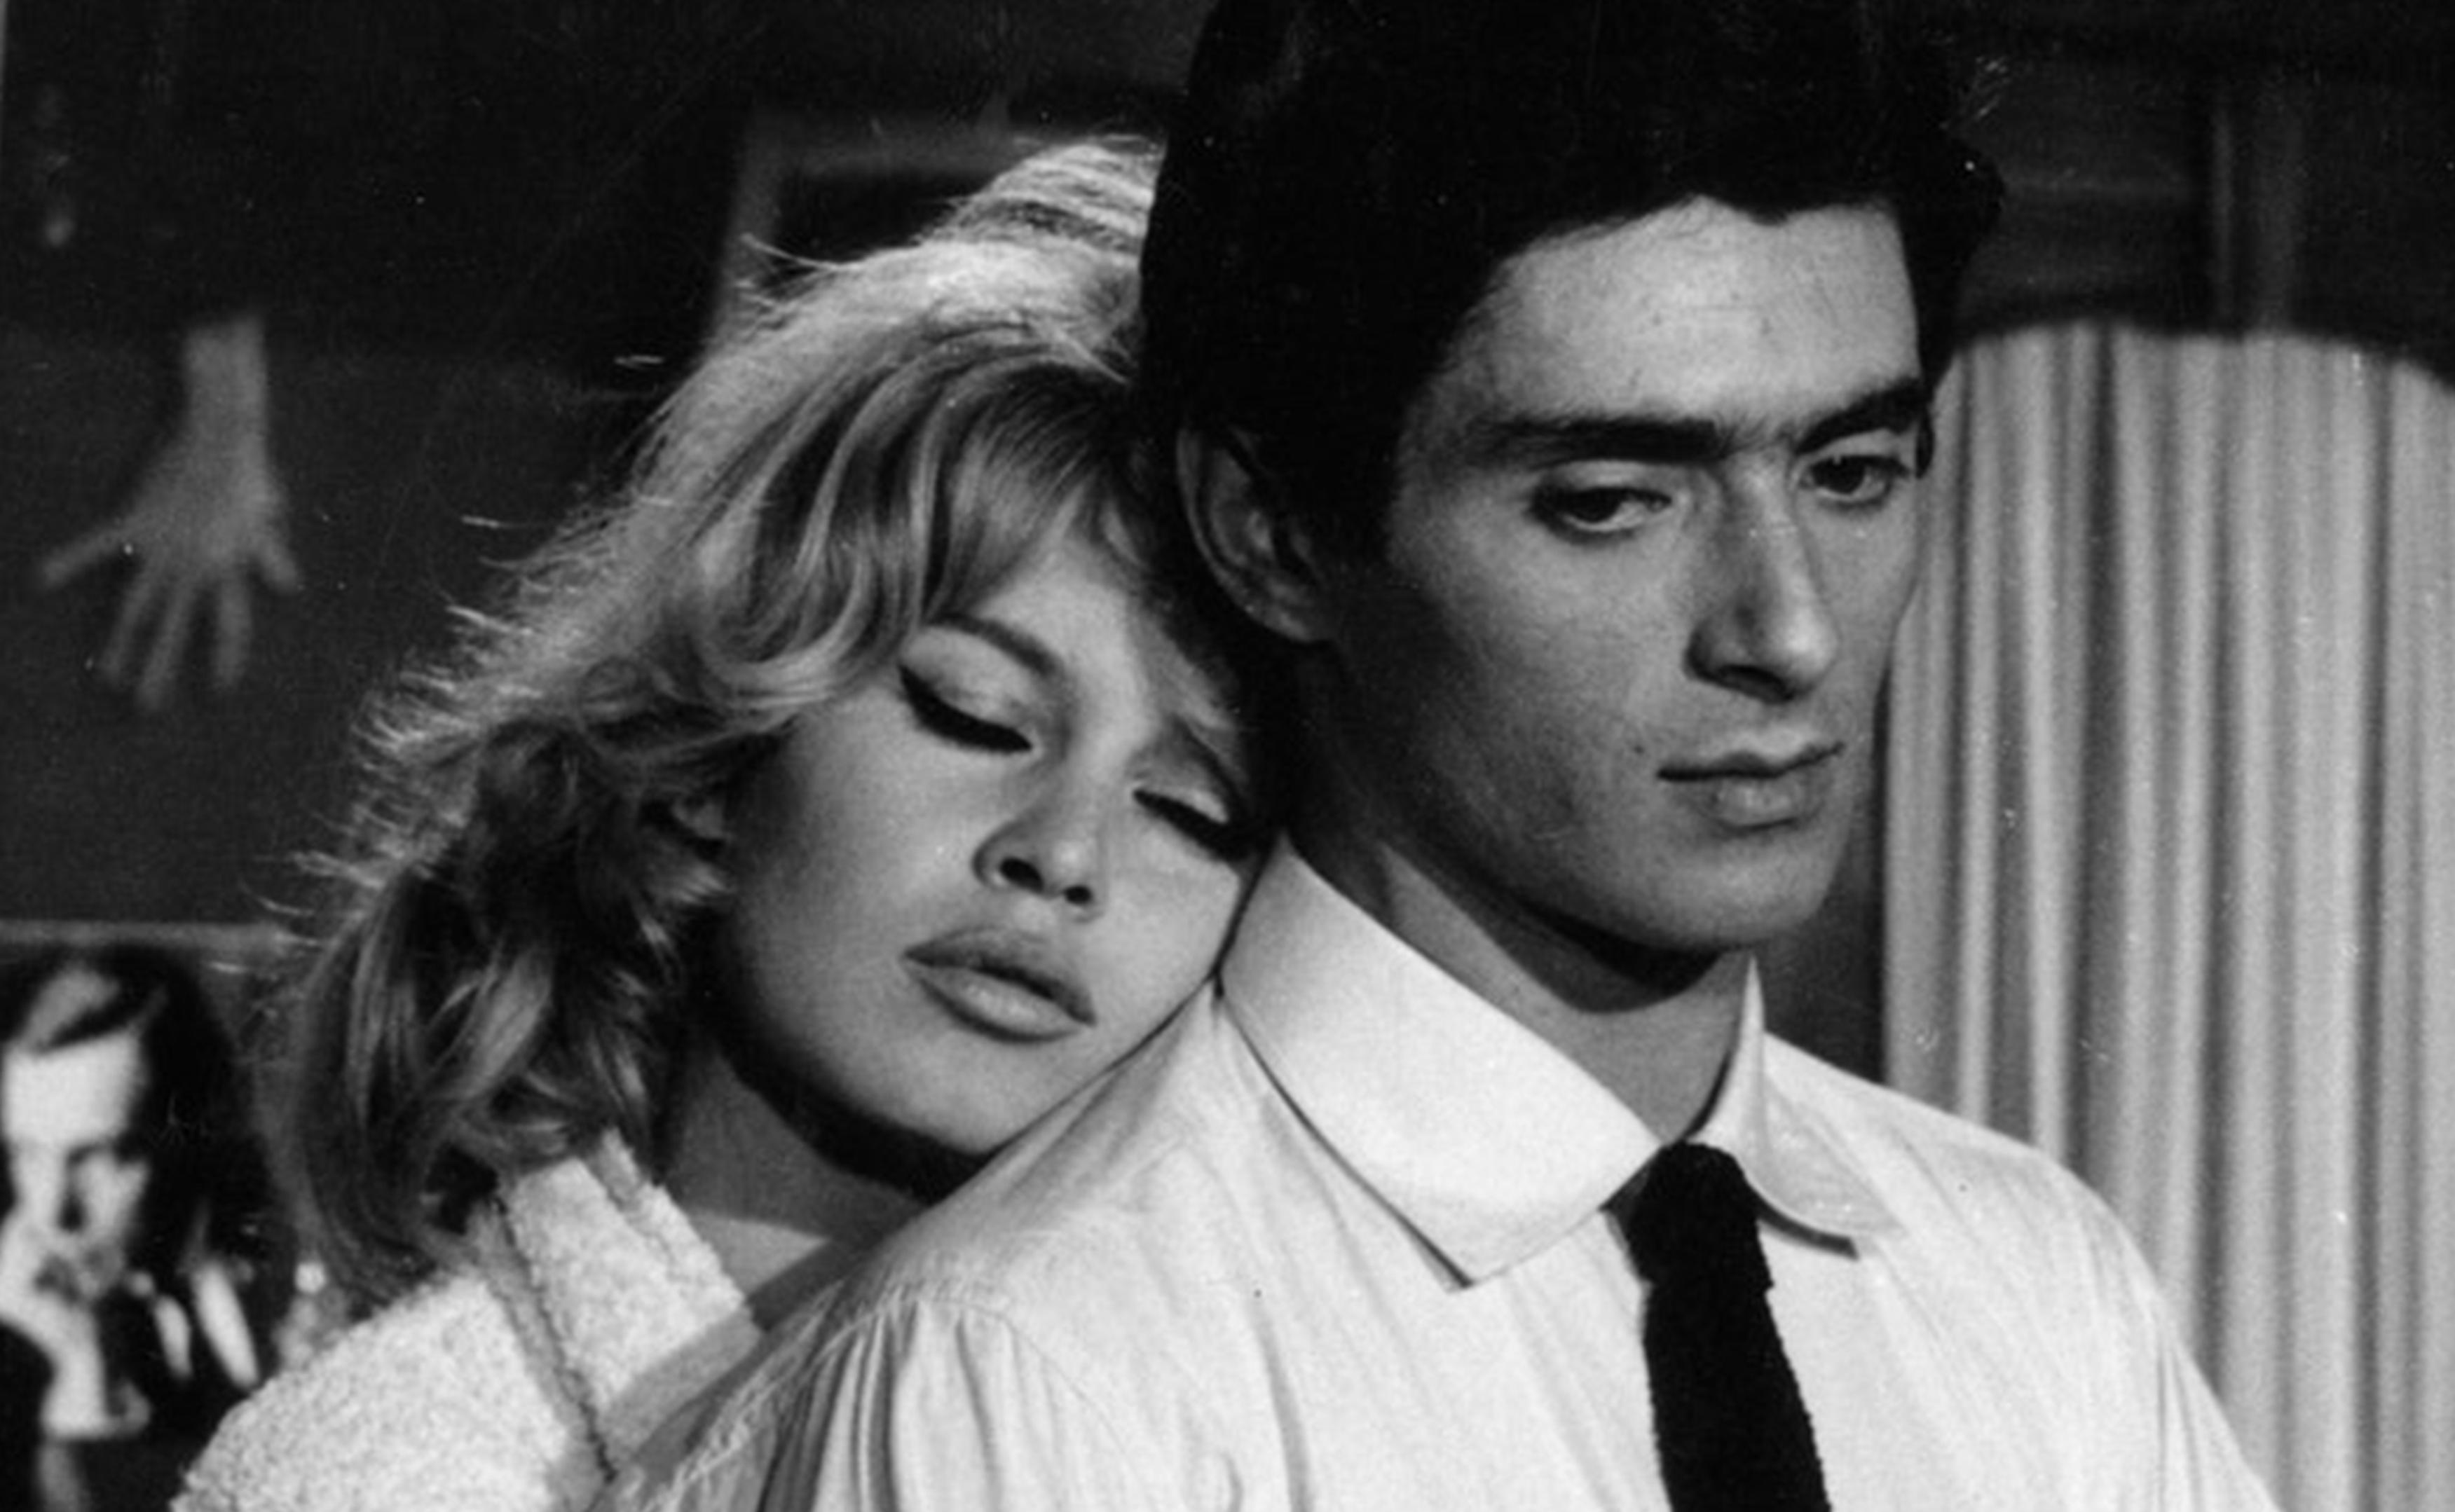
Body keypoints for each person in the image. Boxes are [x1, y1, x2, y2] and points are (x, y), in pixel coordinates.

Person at [610, 1, 2277, 1508]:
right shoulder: (1039, 1370)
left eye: (1852, 471)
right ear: (1268, 532)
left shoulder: (2040, 1287)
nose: (1788, 631)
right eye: (1611, 501)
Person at [171, 137, 1266, 1512]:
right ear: (714, 752)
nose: (1062, 852)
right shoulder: (384, 1478)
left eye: (1191, 807)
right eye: (976, 714)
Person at [0, 943, 280, 1512]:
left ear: (191, 1136)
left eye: (102, 1156)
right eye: (27, 1153)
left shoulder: (291, 1275)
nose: (55, 1212)